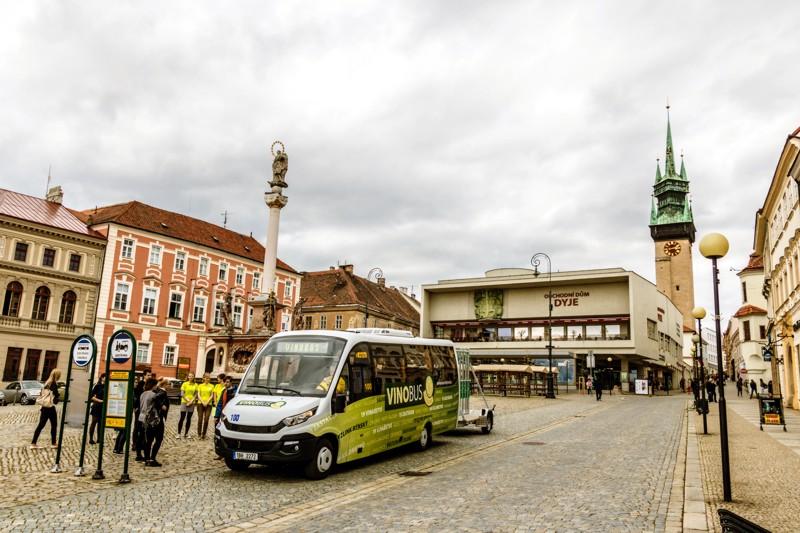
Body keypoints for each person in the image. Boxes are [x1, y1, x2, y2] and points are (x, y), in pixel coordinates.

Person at [139, 378, 167, 467]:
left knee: (148, 440)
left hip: (144, 419)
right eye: (156, 385)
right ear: (153, 385)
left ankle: (147, 459)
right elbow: (161, 406)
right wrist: (163, 407)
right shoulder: (153, 395)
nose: (156, 387)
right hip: (154, 420)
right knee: (158, 439)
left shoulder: (143, 394)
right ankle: (152, 458)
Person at [31, 369, 62, 449]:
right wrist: (58, 396)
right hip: (50, 407)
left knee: (41, 425)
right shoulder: (53, 384)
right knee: (54, 425)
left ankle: (33, 443)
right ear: (57, 375)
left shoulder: (47, 382)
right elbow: (56, 396)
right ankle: (53, 443)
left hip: (44, 407)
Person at [213, 376, 238, 459]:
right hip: (224, 415)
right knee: (220, 433)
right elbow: (220, 404)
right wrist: (216, 416)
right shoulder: (224, 391)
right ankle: (221, 453)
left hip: (233, 416)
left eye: (227, 382)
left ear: (231, 382)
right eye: (225, 382)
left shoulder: (236, 391)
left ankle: (232, 452)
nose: (226, 384)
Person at [177, 373, 197, 439]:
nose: (191, 377)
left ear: (194, 377)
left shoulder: (196, 385)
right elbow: (182, 394)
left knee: (189, 419)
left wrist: (191, 401)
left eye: (192, 376)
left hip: (192, 403)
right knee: (182, 418)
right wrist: (188, 401)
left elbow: (195, 394)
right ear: (188, 377)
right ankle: (178, 433)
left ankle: (186, 433)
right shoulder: (184, 384)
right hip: (184, 402)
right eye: (189, 376)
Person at [196, 373, 215, 439]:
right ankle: (199, 434)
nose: (207, 379)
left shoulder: (212, 386)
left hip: (208, 404)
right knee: (200, 419)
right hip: (200, 404)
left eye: (208, 378)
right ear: (203, 378)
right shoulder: (200, 385)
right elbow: (198, 394)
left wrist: (207, 402)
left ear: (210, 379)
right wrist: (202, 402)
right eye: (206, 378)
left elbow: (212, 395)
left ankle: (204, 434)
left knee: (206, 419)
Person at [89, 373, 106, 444]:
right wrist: (100, 401)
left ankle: (99, 439)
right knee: (94, 422)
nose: (106, 378)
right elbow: (91, 396)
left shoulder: (108, 386)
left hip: (103, 407)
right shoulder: (97, 386)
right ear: (102, 378)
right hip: (97, 406)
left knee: (101, 423)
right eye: (105, 377)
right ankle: (91, 439)